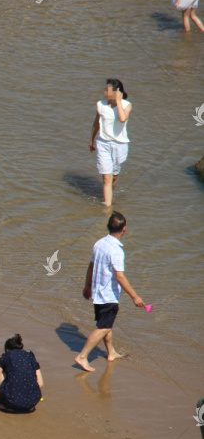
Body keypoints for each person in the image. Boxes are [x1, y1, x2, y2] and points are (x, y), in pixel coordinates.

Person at [75, 212, 146, 372]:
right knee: (104, 327)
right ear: (124, 229)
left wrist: (87, 286)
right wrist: (135, 296)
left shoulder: (99, 243)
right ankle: (82, 356)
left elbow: (91, 266)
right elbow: (120, 276)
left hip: (97, 291)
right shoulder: (117, 251)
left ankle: (111, 352)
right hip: (108, 295)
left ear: (109, 226)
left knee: (107, 324)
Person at [88, 79, 132, 208]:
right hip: (103, 143)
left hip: (120, 145)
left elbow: (123, 118)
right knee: (106, 178)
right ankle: (107, 209)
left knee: (113, 177)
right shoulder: (100, 105)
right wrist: (91, 139)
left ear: (116, 92)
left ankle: (109, 195)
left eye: (107, 90)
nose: (104, 92)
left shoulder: (126, 105)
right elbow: (96, 122)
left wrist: (118, 101)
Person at [0, 334, 43, 413]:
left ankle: (5, 404)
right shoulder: (30, 356)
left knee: (1, 373)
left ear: (7, 349)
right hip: (33, 401)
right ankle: (26, 405)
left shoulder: (6, 356)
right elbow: (40, 383)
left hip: (11, 402)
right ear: (22, 348)